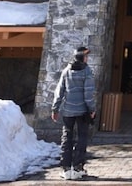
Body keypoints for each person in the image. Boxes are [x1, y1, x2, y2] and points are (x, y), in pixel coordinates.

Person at [51, 46, 96, 180]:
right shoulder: (87, 72)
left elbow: (59, 91)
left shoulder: (66, 71)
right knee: (82, 138)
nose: (87, 58)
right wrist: (92, 109)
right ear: (81, 57)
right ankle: (77, 167)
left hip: (68, 111)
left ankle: (65, 168)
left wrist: (55, 108)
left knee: (67, 138)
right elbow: (88, 94)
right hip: (82, 111)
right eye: (86, 56)